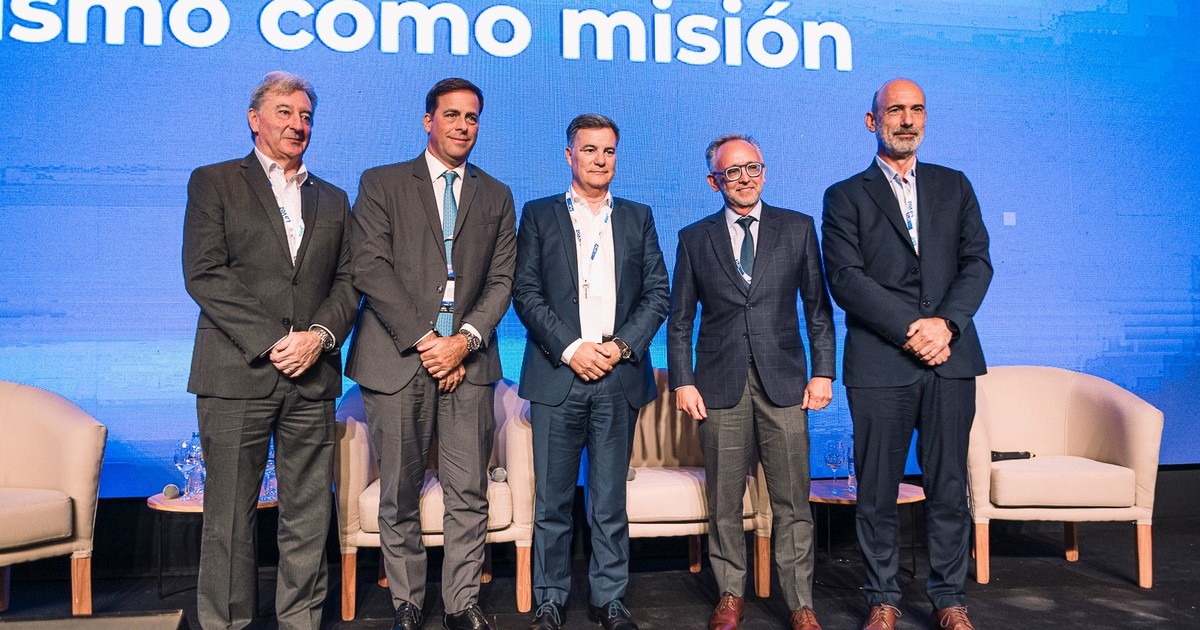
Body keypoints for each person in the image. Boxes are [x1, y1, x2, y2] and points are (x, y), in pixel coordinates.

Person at [182, 71, 358, 630]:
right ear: (254, 119)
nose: (297, 124)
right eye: (285, 112)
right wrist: (275, 340)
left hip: (312, 376)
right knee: (229, 517)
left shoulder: (333, 198)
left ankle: (299, 621)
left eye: (306, 115)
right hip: (237, 373)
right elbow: (204, 273)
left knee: (308, 515)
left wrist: (319, 337)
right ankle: (227, 623)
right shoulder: (214, 182)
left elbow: (348, 282)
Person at [821, 78, 992, 630]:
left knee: (948, 486)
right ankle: (883, 598)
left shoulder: (954, 184)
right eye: (895, 110)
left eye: (917, 109)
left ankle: (949, 599)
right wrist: (911, 328)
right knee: (876, 490)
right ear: (872, 121)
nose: (907, 119)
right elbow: (845, 278)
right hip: (880, 362)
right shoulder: (845, 195)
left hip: (951, 357)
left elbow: (978, 263)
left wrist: (946, 325)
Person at [345, 78, 516, 630]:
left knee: (468, 491)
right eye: (452, 115)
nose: (463, 126)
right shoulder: (382, 183)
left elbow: (502, 280)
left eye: (472, 117)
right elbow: (369, 266)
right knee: (399, 491)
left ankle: (461, 603)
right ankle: (408, 603)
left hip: (468, 362)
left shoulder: (496, 194)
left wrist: (462, 342)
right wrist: (427, 341)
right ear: (428, 121)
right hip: (397, 359)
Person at [667, 134, 836, 630]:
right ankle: (729, 594)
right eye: (732, 172)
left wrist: (823, 371)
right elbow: (680, 321)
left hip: (785, 384)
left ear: (764, 172)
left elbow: (818, 310)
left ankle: (800, 603)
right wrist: (683, 381)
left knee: (792, 502)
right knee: (724, 501)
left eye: (752, 168)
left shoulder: (798, 228)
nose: (744, 179)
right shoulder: (694, 238)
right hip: (718, 387)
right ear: (713, 181)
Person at [513, 114, 669, 630]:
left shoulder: (638, 217)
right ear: (569, 155)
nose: (600, 160)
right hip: (559, 374)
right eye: (589, 150)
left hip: (617, 376)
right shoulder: (538, 214)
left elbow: (657, 293)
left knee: (609, 501)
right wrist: (572, 348)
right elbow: (526, 293)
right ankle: (550, 598)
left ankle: (609, 598)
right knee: (552, 502)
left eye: (609, 151)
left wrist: (620, 347)